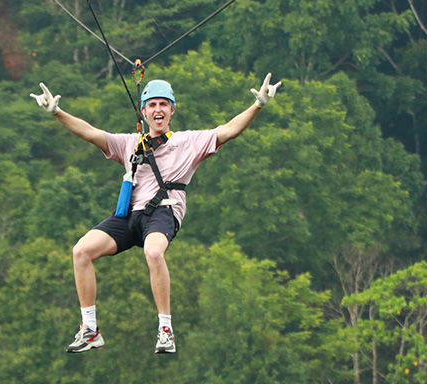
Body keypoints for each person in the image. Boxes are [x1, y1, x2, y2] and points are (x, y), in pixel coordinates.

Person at [30, 73, 281, 354]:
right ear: (144, 111)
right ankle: (90, 329)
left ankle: (165, 330)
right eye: (152, 105)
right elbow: (90, 133)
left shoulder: (189, 142)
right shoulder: (129, 143)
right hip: (129, 215)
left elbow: (229, 130)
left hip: (163, 212)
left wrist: (257, 105)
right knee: (81, 251)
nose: (158, 110)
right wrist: (57, 113)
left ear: (172, 110)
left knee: (153, 252)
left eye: (163, 104)